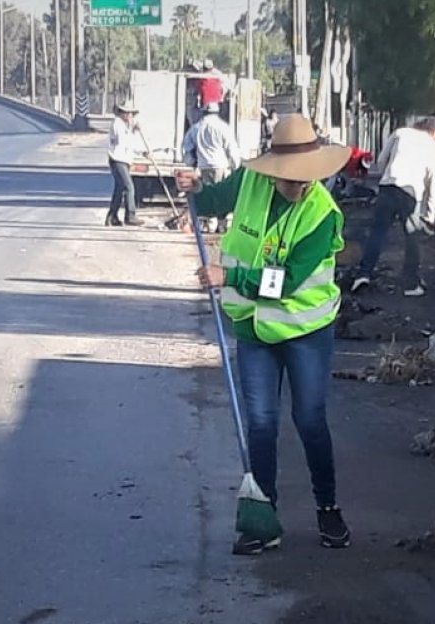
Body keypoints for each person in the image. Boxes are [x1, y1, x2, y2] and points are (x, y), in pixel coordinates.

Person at [177, 113, 352, 556]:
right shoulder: (252, 181)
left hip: (306, 331)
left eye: (307, 178)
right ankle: (263, 518)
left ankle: (328, 508)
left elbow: (286, 281)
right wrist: (195, 188)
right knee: (260, 423)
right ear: (273, 170)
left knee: (309, 420)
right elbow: (214, 200)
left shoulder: (322, 215)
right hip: (255, 329)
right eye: (291, 179)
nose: (300, 186)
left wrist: (227, 276)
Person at [351, 117, 435, 297]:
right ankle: (410, 284)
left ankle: (363, 275)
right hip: (410, 193)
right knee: (412, 237)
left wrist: (386, 178)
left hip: (388, 186)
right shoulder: (434, 150)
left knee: (377, 232)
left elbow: (380, 160)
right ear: (434, 133)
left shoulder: (400, 133)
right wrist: (430, 216)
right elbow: (432, 187)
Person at [182, 102, 242, 233]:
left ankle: (211, 226)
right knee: (223, 196)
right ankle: (223, 227)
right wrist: (236, 167)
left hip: (204, 167)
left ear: (203, 112)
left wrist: (191, 163)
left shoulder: (196, 128)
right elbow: (231, 148)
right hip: (221, 166)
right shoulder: (223, 127)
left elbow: (187, 147)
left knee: (208, 195)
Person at [107, 101, 145, 227]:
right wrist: (132, 130)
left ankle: (112, 217)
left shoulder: (125, 126)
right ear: (122, 113)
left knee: (119, 189)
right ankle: (130, 215)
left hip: (124, 160)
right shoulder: (117, 124)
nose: (130, 116)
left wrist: (143, 153)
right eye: (128, 113)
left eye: (131, 114)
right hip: (118, 160)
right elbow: (123, 142)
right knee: (129, 187)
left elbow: (131, 145)